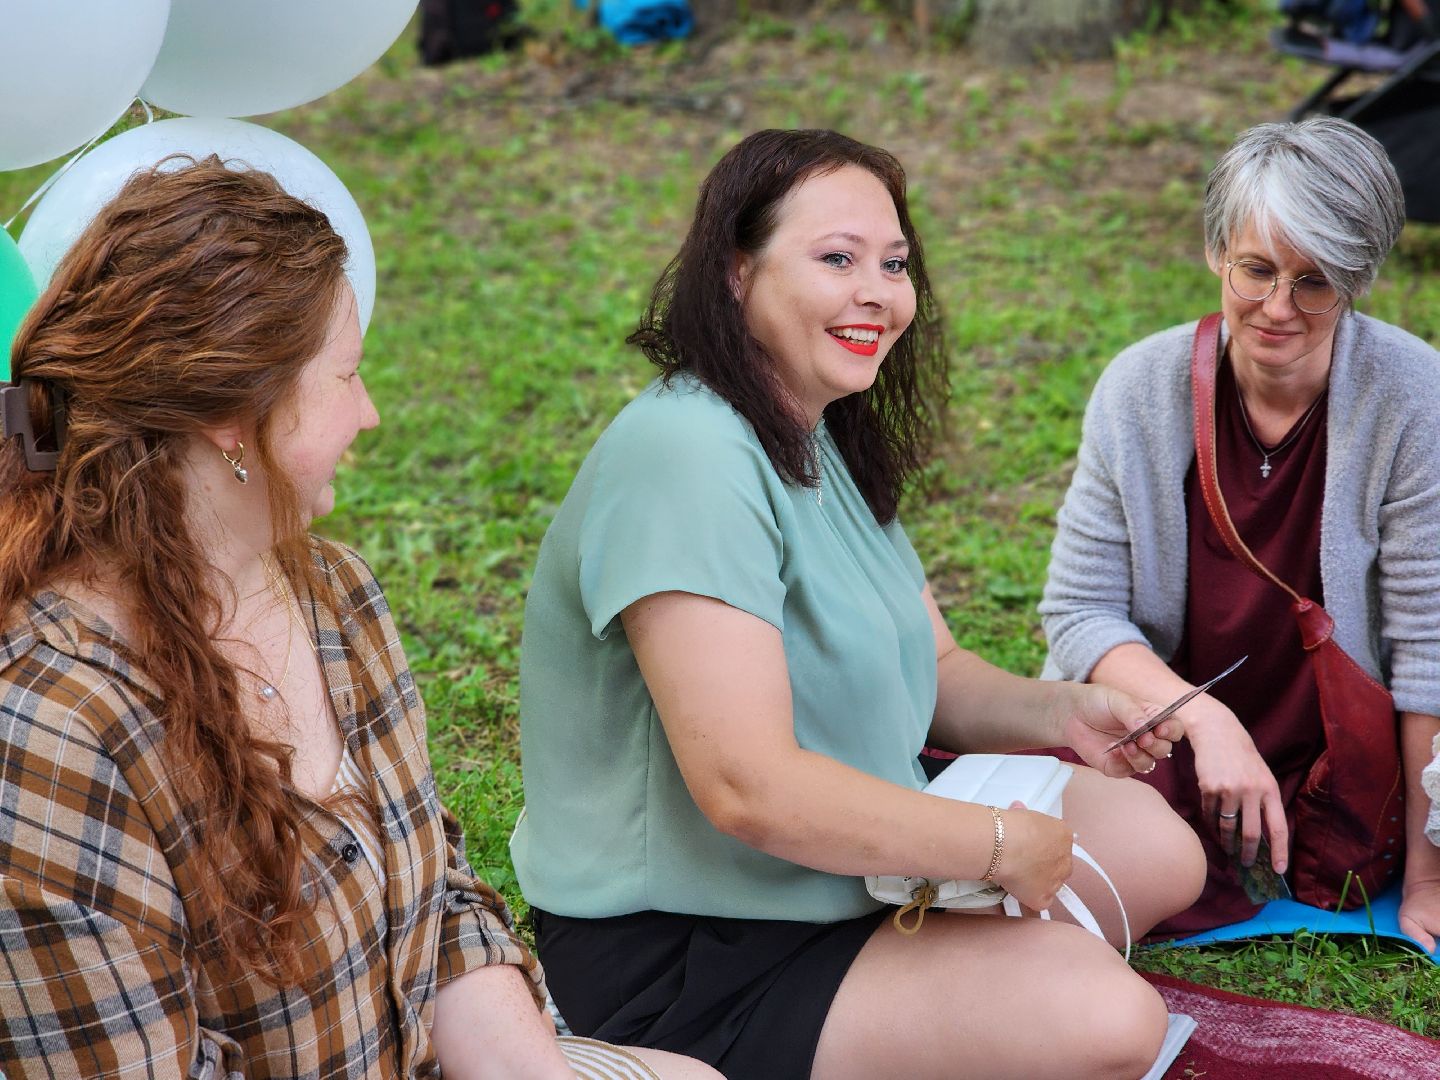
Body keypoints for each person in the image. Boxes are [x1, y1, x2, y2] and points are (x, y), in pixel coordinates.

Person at [511, 128, 1207, 1080]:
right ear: (734, 273)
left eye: (894, 262)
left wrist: (1067, 712)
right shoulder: (684, 455)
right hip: (695, 944)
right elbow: (746, 789)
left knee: (1162, 850)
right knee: (1108, 1023)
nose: (877, 292)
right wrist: (994, 847)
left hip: (836, 872)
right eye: (836, 259)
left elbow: (940, 670)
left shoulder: (815, 430)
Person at [0, 159, 717, 1080]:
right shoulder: (54, 727)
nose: (371, 413)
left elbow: (436, 901)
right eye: (346, 375)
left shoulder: (331, 590)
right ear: (233, 417)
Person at [1041, 117, 1440, 949]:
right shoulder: (1138, 388)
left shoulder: (1412, 398)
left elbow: (1427, 646)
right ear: (1218, 252)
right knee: (1094, 871)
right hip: (1167, 730)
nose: (1278, 309)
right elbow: (1080, 613)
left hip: (1337, 745)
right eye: (1256, 270)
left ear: (1358, 279)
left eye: (1315, 282)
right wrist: (1206, 719)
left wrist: (1428, 877)